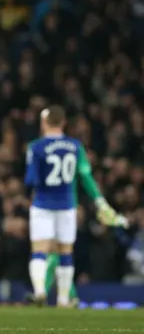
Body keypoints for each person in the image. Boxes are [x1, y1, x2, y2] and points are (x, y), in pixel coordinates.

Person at [24, 105, 128, 307]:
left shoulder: (36, 147)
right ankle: (64, 299)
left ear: (44, 123)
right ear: (63, 123)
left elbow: (31, 180)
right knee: (65, 252)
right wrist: (99, 201)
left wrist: (30, 195)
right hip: (67, 205)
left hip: (43, 204)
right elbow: (85, 176)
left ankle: (39, 292)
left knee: (40, 251)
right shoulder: (75, 146)